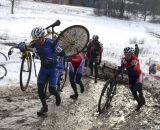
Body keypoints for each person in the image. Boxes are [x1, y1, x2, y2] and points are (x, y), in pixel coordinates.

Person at [18, 27, 65, 116]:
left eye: (38, 39)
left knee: (51, 90)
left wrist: (61, 64)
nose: (37, 41)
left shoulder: (51, 43)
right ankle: (44, 107)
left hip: (53, 69)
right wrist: (21, 45)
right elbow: (25, 45)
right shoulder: (34, 43)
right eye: (34, 39)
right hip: (44, 68)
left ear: (43, 36)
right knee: (40, 90)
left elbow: (63, 54)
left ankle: (57, 95)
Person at [116, 47, 145, 111]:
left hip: (138, 75)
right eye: (125, 53)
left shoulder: (135, 60)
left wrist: (125, 69)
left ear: (131, 54)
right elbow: (121, 67)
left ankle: (141, 96)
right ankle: (139, 103)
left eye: (128, 54)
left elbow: (134, 69)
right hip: (131, 76)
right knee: (133, 91)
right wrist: (117, 72)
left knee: (138, 86)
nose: (126, 55)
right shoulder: (123, 60)